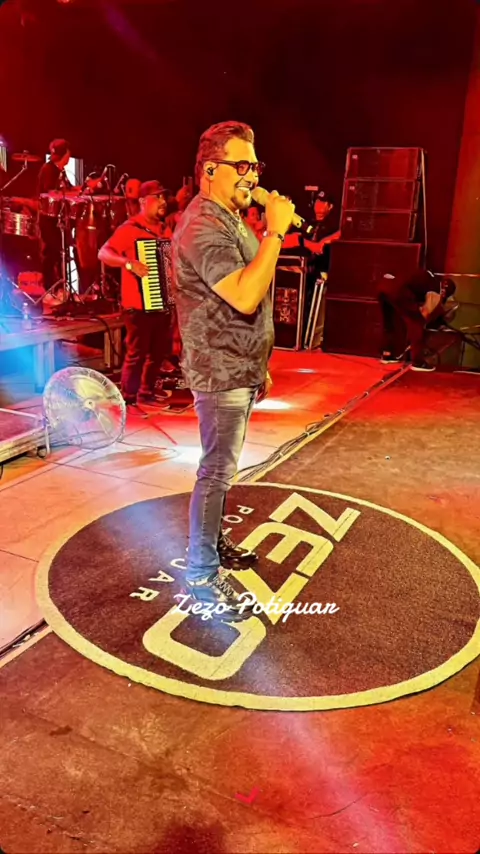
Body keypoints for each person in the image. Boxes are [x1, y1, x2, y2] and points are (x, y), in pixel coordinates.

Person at [172, 120, 295, 618]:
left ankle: (213, 545)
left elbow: (253, 287)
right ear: (209, 170)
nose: (252, 175)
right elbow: (244, 296)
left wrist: (259, 364)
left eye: (255, 165)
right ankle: (201, 575)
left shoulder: (231, 217)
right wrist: (276, 231)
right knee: (217, 471)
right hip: (219, 370)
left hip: (240, 365)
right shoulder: (202, 226)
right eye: (241, 165)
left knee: (223, 469)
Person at [98, 180, 173, 405]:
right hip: (137, 304)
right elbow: (104, 253)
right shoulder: (130, 229)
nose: (162, 201)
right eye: (157, 197)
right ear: (142, 201)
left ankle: (146, 394)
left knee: (158, 353)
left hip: (161, 302)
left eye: (163, 197)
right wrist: (129, 263)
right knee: (137, 353)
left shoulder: (165, 230)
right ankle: (128, 399)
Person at [378, 269, 456, 371]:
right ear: (444, 292)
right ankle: (418, 362)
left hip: (384, 285)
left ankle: (387, 354)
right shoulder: (436, 289)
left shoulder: (428, 278)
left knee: (390, 322)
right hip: (399, 290)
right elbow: (425, 314)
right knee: (417, 323)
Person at [37, 139, 74, 290]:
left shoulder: (60, 171)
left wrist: (85, 188)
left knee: (60, 252)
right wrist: (69, 194)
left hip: (57, 219)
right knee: (51, 252)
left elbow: (70, 189)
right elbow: (51, 192)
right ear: (64, 154)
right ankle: (49, 288)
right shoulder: (48, 170)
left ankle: (60, 288)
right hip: (48, 219)